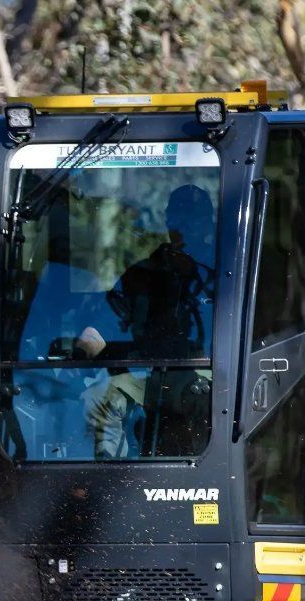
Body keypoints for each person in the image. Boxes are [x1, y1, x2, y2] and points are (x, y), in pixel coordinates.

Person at [79, 183, 217, 458]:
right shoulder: (140, 275)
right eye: (178, 219)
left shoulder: (224, 273)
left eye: (194, 218)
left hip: (205, 370)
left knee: (207, 400)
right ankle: (108, 489)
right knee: (97, 396)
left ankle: (205, 481)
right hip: (145, 374)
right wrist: (82, 350)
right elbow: (103, 325)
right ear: (167, 222)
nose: (185, 227)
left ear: (208, 222)